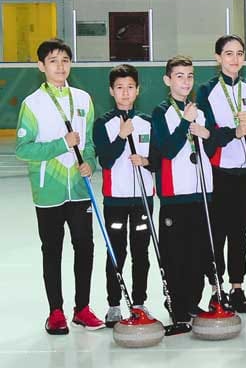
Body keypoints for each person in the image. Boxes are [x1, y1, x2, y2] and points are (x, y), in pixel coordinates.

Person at [16, 38, 104, 334]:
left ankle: (82, 308)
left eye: (65, 60)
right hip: (48, 191)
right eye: (53, 60)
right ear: (41, 66)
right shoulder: (32, 103)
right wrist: (60, 144)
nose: (60, 66)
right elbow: (23, 149)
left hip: (79, 189)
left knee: (85, 248)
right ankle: (55, 311)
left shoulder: (83, 99)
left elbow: (89, 142)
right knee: (52, 250)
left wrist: (89, 161)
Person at [149, 55, 215, 325]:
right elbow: (166, 149)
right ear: (167, 80)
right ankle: (176, 303)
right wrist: (186, 123)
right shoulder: (160, 112)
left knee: (198, 252)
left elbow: (210, 150)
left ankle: (192, 300)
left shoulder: (200, 110)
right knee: (176, 252)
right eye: (179, 76)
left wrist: (208, 136)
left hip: (200, 191)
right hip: (174, 194)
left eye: (189, 76)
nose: (185, 81)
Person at [196, 35, 246, 313]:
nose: (235, 59)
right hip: (218, 170)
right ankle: (215, 288)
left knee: (239, 234)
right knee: (217, 232)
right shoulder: (206, 91)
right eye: (229, 53)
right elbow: (207, 135)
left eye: (240, 53)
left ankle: (237, 287)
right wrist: (233, 132)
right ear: (218, 57)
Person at [92, 64, 155, 324]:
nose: (125, 93)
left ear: (138, 90)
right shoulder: (103, 123)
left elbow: (160, 159)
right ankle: (114, 304)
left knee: (141, 251)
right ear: (111, 91)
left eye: (130, 87)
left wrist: (146, 161)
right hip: (115, 200)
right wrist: (120, 136)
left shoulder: (148, 122)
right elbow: (105, 161)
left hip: (143, 198)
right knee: (116, 251)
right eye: (120, 88)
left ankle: (139, 302)